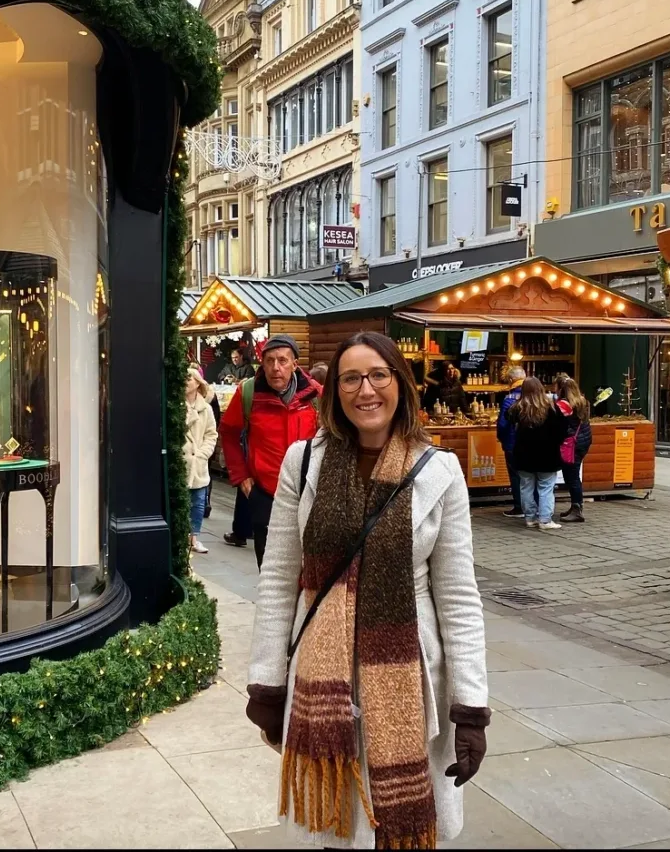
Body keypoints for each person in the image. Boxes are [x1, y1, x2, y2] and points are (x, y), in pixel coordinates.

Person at [245, 332, 489, 849]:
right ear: (334, 391)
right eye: (351, 378)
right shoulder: (303, 462)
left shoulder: (439, 471)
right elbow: (278, 577)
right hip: (321, 672)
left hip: (407, 675)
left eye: (379, 375)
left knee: (394, 824)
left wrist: (470, 707)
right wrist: (266, 681)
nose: (365, 390)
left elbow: (459, 595)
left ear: (400, 384)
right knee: (336, 825)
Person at [219, 335, 321, 568]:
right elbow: (229, 432)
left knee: (309, 568)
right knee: (269, 569)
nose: (276, 368)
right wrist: (241, 475)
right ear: (262, 365)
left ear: (295, 364)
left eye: (283, 361)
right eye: (270, 361)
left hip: (308, 495)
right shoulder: (249, 394)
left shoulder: (316, 396)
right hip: (265, 494)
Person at [507, 377, 569, 531]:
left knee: (526, 487)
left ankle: (530, 518)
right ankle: (545, 519)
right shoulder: (552, 408)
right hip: (547, 455)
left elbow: (508, 424)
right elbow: (562, 431)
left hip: (523, 454)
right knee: (546, 488)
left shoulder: (517, 408)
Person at [184, 367, 218, 554]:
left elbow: (211, 434)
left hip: (198, 463)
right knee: (182, 501)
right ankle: (181, 537)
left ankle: (194, 538)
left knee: (198, 503)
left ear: (198, 383)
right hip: (183, 461)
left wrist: (203, 453)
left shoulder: (206, 409)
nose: (185, 381)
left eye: (189, 378)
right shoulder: (177, 406)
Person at [556, 376, 593, 523]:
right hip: (583, 441)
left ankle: (577, 509)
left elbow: (558, 423)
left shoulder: (564, 405)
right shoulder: (582, 401)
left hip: (572, 444)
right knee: (573, 475)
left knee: (572, 477)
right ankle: (575, 506)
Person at [496, 366, 526, 518]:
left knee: (515, 475)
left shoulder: (509, 399)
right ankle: (533, 507)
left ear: (511, 380)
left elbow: (503, 424)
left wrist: (501, 438)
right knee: (530, 475)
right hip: (530, 443)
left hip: (512, 443)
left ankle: (519, 507)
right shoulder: (535, 397)